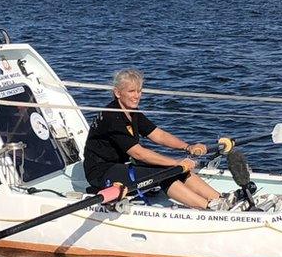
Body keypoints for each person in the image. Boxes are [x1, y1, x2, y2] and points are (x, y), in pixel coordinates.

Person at [83, 69, 224, 209]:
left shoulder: (132, 112)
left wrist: (187, 147)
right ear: (118, 93)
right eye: (131, 91)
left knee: (174, 168)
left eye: (139, 91)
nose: (137, 96)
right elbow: (139, 154)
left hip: (120, 165)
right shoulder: (112, 118)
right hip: (100, 172)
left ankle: (220, 200)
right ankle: (208, 207)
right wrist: (175, 162)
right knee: (164, 172)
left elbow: (158, 135)